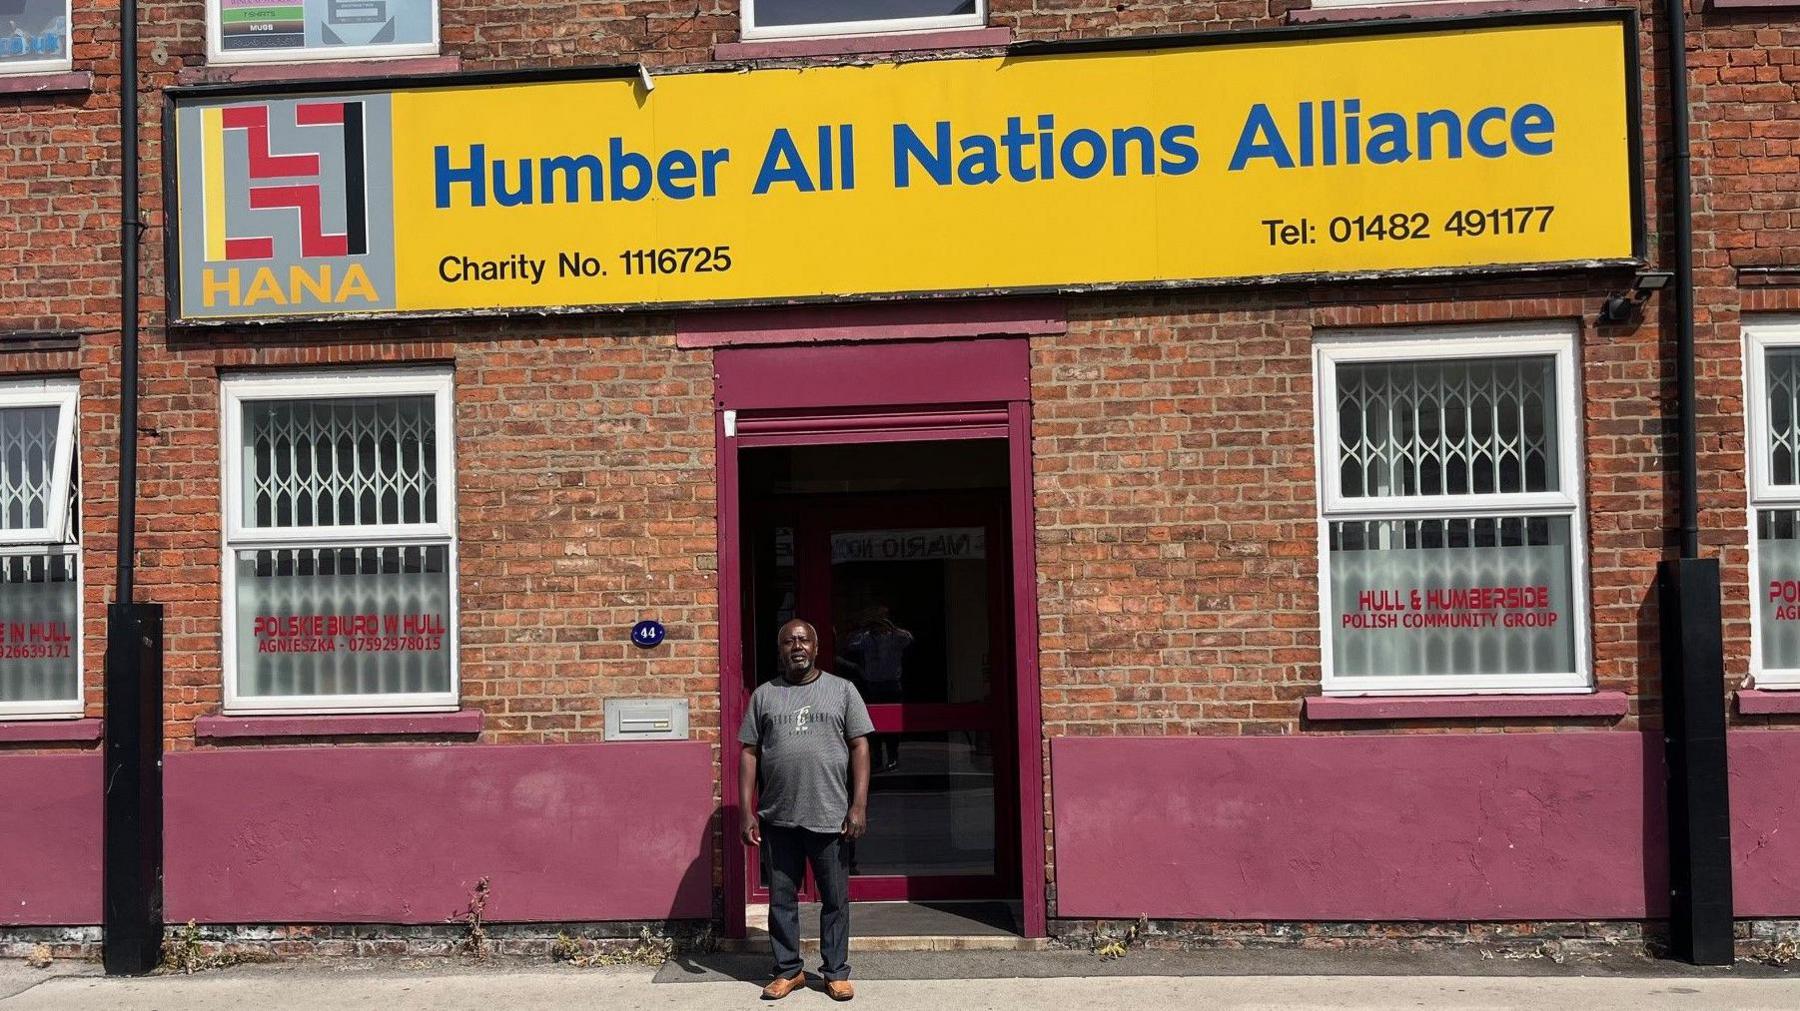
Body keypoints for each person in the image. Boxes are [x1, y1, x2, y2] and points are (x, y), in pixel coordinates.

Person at [739, 618, 873, 1001]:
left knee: (835, 899)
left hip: (831, 816)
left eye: (803, 640)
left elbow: (860, 747)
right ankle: (788, 970)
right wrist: (747, 810)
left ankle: (835, 971)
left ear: (816, 647)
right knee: (782, 900)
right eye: (788, 641)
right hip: (778, 816)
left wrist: (858, 805)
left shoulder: (842, 690)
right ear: (779, 649)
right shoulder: (764, 695)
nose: (796, 646)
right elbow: (748, 752)